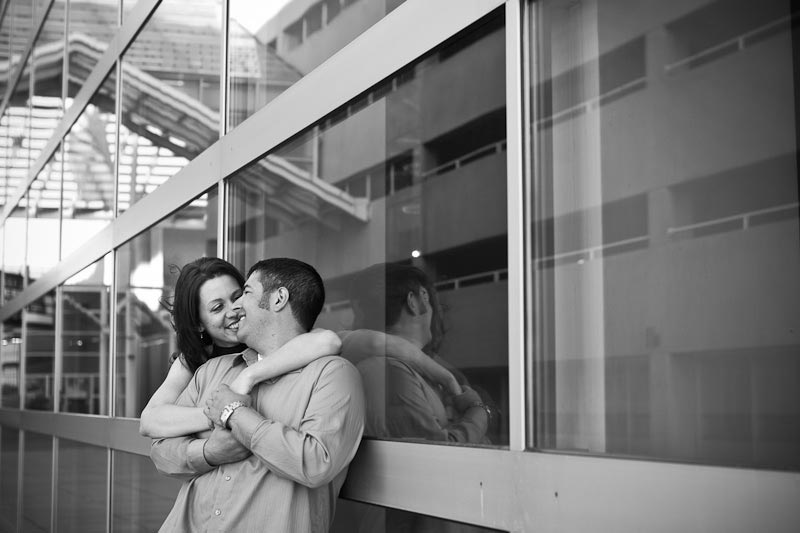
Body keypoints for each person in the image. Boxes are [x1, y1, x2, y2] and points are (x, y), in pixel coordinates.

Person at [150, 258, 365, 532]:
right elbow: (160, 452)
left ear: (279, 299)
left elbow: (314, 464)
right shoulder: (210, 369)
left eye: (244, 293)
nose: (236, 307)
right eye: (217, 307)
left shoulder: (333, 375)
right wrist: (209, 453)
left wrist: (235, 415)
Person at [139, 257, 341, 438]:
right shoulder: (192, 361)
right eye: (217, 308)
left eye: (237, 296)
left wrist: (248, 376)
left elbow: (329, 341)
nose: (234, 309)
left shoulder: (269, 341)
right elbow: (150, 420)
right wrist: (221, 411)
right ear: (198, 323)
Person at [350, 262, 490, 443]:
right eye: (428, 296)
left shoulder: (412, 369)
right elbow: (437, 451)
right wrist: (479, 411)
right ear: (417, 300)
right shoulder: (390, 371)